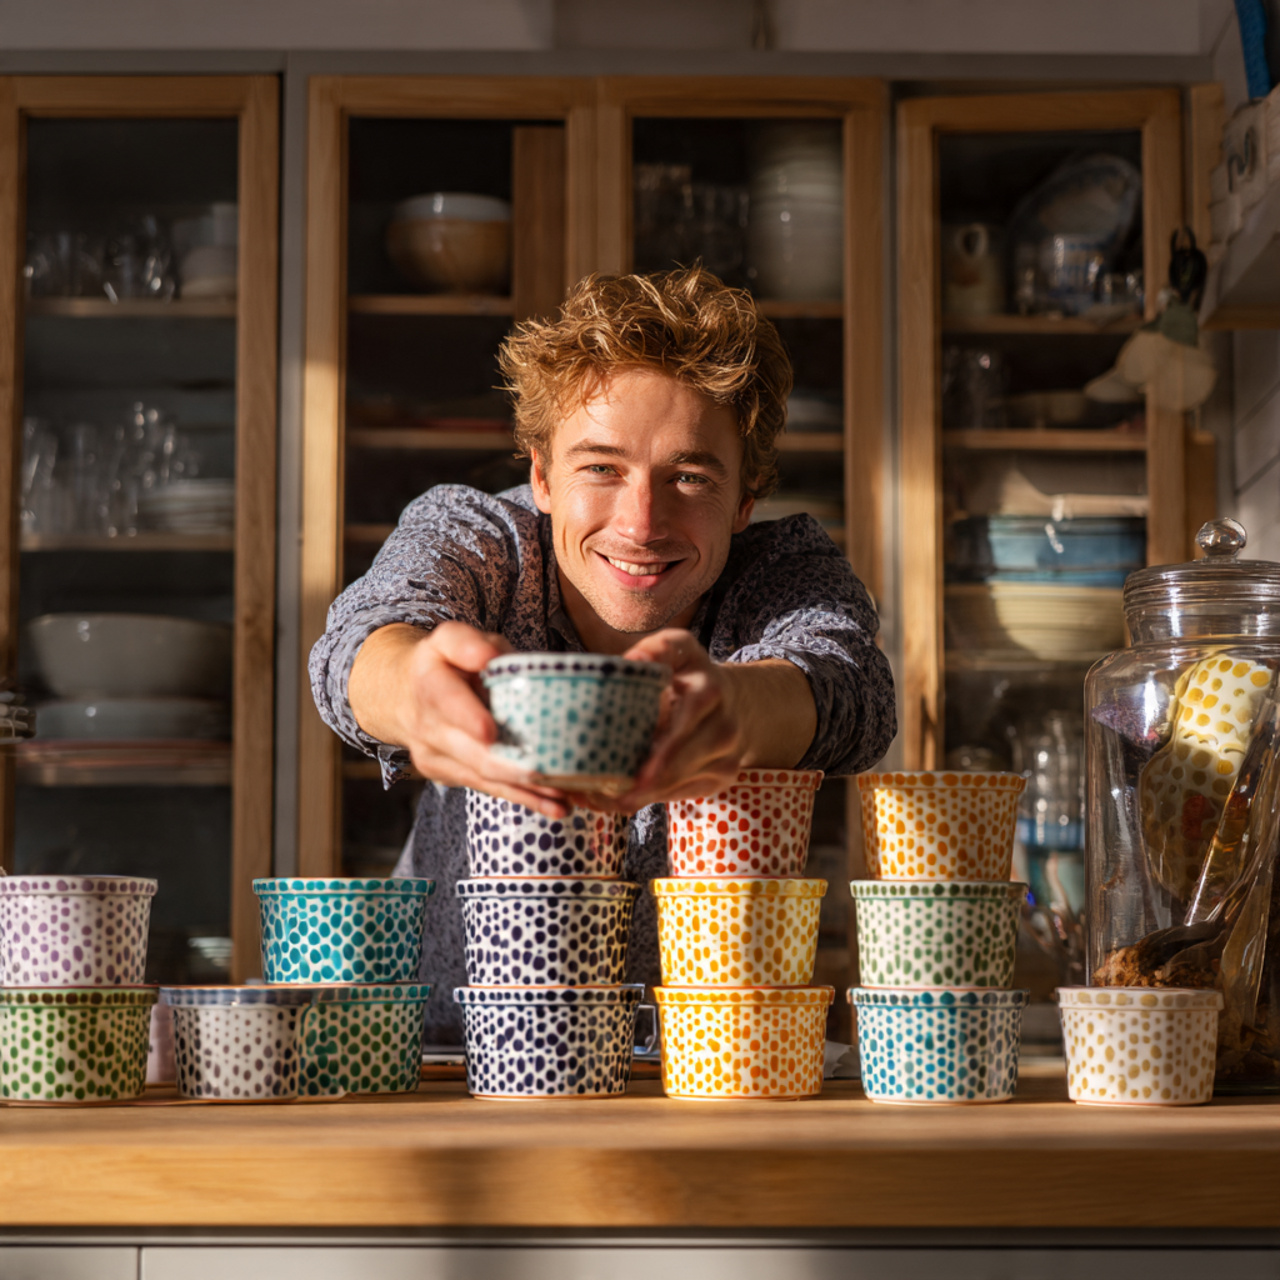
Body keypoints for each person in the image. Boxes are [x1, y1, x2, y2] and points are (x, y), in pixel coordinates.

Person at [310, 265, 896, 1041]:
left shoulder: (784, 570)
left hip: (709, 1073)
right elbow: (363, 640)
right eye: (601, 469)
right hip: (454, 1063)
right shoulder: (476, 538)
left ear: (745, 500)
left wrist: (737, 706)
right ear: (542, 476)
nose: (641, 522)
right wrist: (412, 687)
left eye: (689, 477)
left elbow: (852, 686)